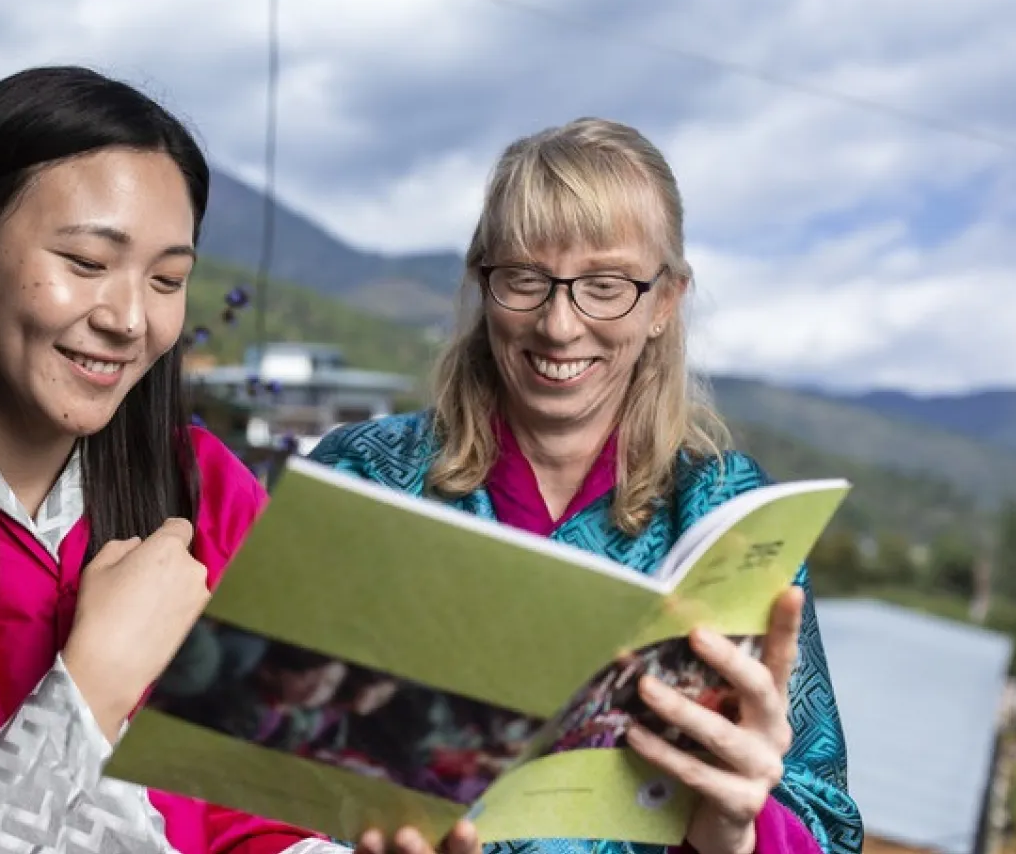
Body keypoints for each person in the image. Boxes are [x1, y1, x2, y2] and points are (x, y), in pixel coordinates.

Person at [0, 65, 476, 854]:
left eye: (167, 279)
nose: (129, 319)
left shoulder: (209, 492)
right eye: (86, 263)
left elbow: (259, 819)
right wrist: (92, 682)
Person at [309, 118, 862, 854]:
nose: (560, 324)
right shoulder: (366, 476)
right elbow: (244, 770)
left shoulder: (730, 516)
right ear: (483, 282)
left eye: (606, 285)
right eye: (524, 279)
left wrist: (735, 822)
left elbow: (825, 823)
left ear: (666, 301)